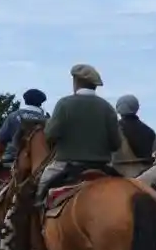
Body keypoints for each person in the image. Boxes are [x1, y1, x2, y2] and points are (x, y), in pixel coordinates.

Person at [37, 64, 121, 203]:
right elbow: (116, 144)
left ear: (76, 82)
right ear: (94, 85)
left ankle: (39, 218)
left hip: (66, 165)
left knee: (42, 185)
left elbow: (50, 135)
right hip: (103, 167)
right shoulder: (108, 108)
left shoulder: (64, 104)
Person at [0, 89, 50, 174]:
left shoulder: (13, 116)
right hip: (41, 164)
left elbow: (0, 141)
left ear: (25, 101)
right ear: (41, 103)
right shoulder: (47, 120)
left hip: (11, 159)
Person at [112, 94, 156, 172]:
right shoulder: (149, 131)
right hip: (145, 171)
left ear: (118, 108)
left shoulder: (112, 129)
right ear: (136, 108)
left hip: (118, 171)